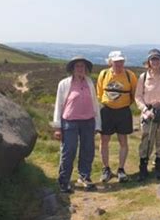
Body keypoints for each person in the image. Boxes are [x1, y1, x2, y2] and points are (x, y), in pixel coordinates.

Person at [53, 56, 101, 193]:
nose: (81, 69)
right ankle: (64, 181)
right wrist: (57, 126)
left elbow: (95, 104)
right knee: (69, 151)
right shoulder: (64, 84)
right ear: (72, 69)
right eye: (78, 66)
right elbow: (59, 105)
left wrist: (97, 124)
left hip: (88, 121)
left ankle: (84, 177)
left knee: (88, 150)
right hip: (69, 122)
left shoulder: (89, 82)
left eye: (83, 67)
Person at [97, 50, 137, 183]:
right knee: (104, 141)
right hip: (106, 111)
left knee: (123, 141)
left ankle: (121, 169)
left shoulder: (130, 75)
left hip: (123, 112)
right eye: (116, 62)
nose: (119, 64)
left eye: (121, 61)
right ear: (110, 62)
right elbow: (99, 93)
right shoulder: (103, 74)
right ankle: (106, 169)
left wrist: (123, 104)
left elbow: (134, 94)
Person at [135, 49, 160, 180]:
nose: (155, 62)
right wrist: (145, 110)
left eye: (157, 59)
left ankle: (159, 166)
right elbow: (138, 96)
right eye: (152, 59)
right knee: (146, 138)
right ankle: (143, 167)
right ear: (148, 61)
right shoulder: (143, 77)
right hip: (148, 111)